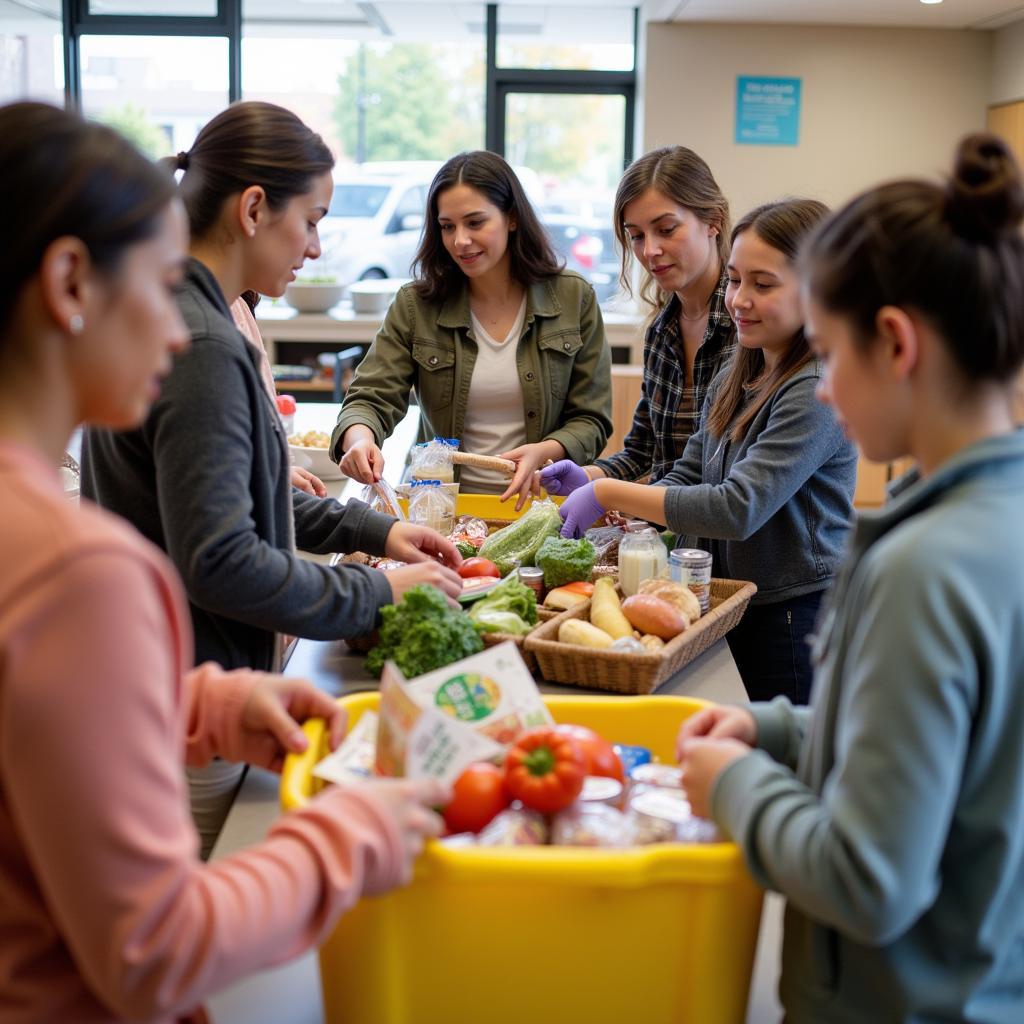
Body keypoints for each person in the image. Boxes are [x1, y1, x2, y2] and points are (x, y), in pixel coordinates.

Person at [0, 100, 448, 1024]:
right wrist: (348, 835)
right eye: (157, 282)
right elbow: (152, 951)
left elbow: (34, 722)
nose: (177, 332)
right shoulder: (80, 572)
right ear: (71, 281)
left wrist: (197, 704)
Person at [678, 134, 1024, 1022]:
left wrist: (731, 784)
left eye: (830, 354)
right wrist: (779, 731)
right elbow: (947, 759)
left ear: (897, 343)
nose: (826, 391)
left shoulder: (924, 566)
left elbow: (867, 878)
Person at [81, 101, 463, 854]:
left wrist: (377, 529)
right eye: (312, 221)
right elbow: (223, 561)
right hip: (190, 703)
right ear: (254, 208)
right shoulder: (204, 347)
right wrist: (378, 591)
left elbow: (242, 497)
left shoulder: (177, 309)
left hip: (169, 690)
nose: (317, 247)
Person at [558, 199, 856, 705]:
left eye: (763, 285)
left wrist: (609, 489)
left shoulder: (814, 390)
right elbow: (688, 474)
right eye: (736, 280)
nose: (739, 299)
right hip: (725, 597)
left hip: (790, 612)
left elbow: (736, 507)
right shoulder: (738, 369)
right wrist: (609, 496)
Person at [331, 150, 613, 508]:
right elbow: (371, 397)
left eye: (475, 223)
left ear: (511, 218)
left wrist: (546, 450)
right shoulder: (416, 305)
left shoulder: (573, 297)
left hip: (543, 508)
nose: (459, 240)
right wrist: (359, 439)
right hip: (443, 510)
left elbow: (592, 418)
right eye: (447, 226)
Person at [539, 145, 736, 498]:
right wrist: (586, 476)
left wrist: (609, 495)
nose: (649, 251)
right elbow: (643, 454)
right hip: (676, 538)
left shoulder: (746, 325)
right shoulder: (663, 331)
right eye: (637, 236)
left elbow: (726, 480)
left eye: (666, 229)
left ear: (714, 221)